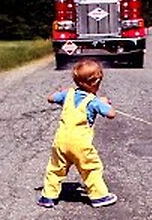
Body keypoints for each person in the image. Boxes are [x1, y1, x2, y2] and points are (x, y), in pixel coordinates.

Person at [37, 59, 117, 208]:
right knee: (91, 168)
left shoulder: (68, 94)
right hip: (80, 144)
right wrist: (104, 102)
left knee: (55, 169)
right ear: (96, 82)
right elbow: (111, 114)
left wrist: (62, 93)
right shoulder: (94, 101)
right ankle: (99, 196)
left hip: (60, 142)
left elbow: (50, 98)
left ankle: (48, 196)